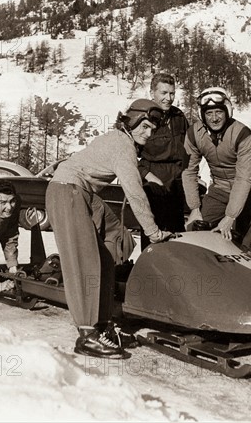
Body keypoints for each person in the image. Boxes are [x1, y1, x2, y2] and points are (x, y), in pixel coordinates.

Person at [46, 99, 174, 360]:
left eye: (152, 129)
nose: (148, 134)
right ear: (132, 120)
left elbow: (120, 165)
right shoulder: (123, 146)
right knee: (85, 260)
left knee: (106, 255)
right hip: (67, 190)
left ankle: (103, 324)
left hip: (80, 191)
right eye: (145, 126)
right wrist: (154, 232)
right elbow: (135, 194)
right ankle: (88, 336)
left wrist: (147, 175)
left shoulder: (119, 140)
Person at [182, 87, 251, 252]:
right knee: (198, 227)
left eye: (218, 112)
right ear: (202, 115)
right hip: (220, 187)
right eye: (209, 113)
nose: (214, 118)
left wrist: (230, 216)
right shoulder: (194, 134)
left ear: (227, 111)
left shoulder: (242, 134)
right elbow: (189, 171)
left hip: (248, 188)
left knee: (244, 242)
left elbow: (243, 179)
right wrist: (194, 208)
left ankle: (243, 272)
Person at [138, 73, 189, 250]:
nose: (168, 98)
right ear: (152, 92)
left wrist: (190, 174)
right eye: (164, 93)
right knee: (153, 236)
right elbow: (126, 155)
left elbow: (189, 149)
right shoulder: (142, 117)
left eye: (172, 93)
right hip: (153, 184)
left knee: (177, 235)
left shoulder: (178, 117)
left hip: (177, 184)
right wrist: (147, 175)